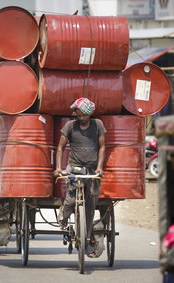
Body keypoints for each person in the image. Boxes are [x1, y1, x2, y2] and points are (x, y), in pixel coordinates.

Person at [53, 97, 106, 258]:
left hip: (91, 169)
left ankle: (87, 240)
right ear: (75, 113)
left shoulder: (98, 125)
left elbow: (102, 147)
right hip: (74, 167)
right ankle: (63, 214)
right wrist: (59, 168)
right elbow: (60, 148)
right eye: (78, 115)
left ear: (89, 114)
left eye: (84, 115)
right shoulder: (70, 126)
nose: (81, 118)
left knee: (90, 206)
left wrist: (99, 167)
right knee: (70, 197)